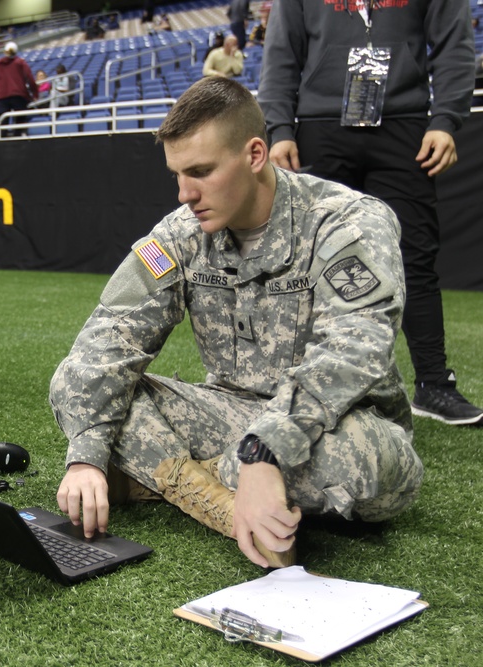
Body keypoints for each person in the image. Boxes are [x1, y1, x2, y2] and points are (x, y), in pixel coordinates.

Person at [50, 77, 423, 569]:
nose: (185, 193)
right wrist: (85, 458)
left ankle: (167, 474)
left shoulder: (345, 221)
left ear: (254, 154)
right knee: (76, 385)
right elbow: (111, 335)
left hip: (343, 423)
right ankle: (221, 501)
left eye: (201, 171)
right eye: (177, 175)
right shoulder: (181, 233)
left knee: (364, 465)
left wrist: (266, 451)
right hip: (228, 412)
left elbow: (355, 351)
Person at [258, 0, 482, 426]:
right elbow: (282, 51)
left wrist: (446, 118)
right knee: (306, 257)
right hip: (321, 125)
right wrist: (279, 127)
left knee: (414, 256)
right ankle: (288, 385)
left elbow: (454, 43)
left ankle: (433, 384)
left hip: (404, 122)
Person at [0, 42, 38, 136]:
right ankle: (18, 138)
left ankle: (1, 142)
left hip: (1, 97)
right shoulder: (21, 63)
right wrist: (35, 94)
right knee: (20, 120)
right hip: (18, 95)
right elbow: (30, 78)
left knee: (2, 122)